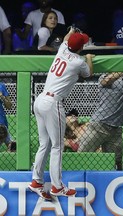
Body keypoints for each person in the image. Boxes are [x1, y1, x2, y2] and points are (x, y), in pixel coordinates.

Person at [28, 27, 94, 200]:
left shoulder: (62, 49)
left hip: (41, 99)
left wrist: (71, 31)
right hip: (53, 103)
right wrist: (88, 58)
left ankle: (36, 181)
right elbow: (89, 73)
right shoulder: (79, 61)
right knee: (57, 146)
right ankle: (57, 186)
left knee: (45, 144)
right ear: (81, 48)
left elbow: (66, 39)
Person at [78, 71, 123, 170]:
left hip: (116, 129)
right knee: (82, 155)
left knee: (117, 162)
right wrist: (122, 70)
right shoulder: (104, 76)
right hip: (98, 125)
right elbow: (106, 81)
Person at [0, 82, 15, 152]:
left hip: (1, 123)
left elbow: (9, 106)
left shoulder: (1, 86)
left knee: (12, 147)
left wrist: (2, 97)